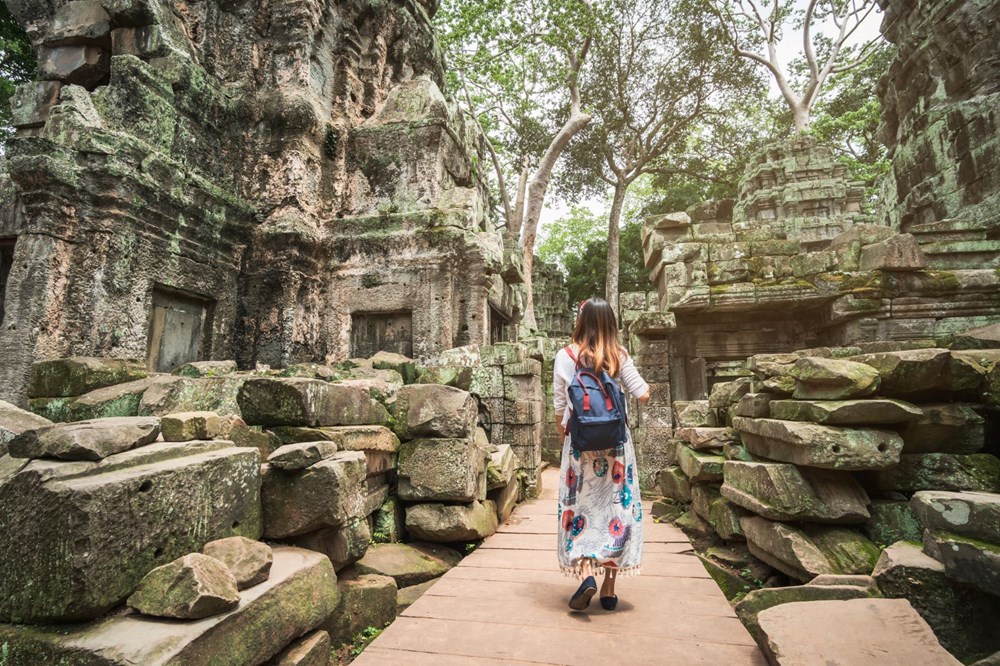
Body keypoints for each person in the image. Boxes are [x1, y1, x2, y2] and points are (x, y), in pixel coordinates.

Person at [553, 297, 651, 612]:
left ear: (580, 322)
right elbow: (644, 394)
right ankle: (609, 590)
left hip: (580, 446)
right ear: (611, 323)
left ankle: (585, 573)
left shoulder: (565, 356)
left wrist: (565, 437)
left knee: (580, 509)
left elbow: (559, 408)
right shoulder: (618, 356)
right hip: (617, 449)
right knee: (615, 513)